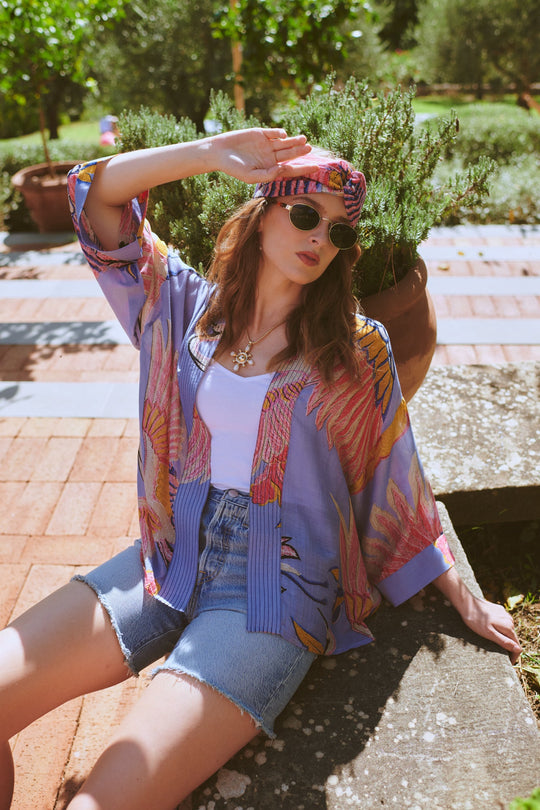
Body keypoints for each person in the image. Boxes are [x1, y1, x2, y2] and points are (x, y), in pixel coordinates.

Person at [0, 127, 521, 810]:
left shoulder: (355, 349)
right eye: (305, 214)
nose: (320, 237)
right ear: (263, 211)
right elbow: (95, 198)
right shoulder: (188, 308)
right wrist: (207, 154)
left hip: (274, 589)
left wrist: (462, 594)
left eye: (338, 231)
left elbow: (393, 476)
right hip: (170, 553)